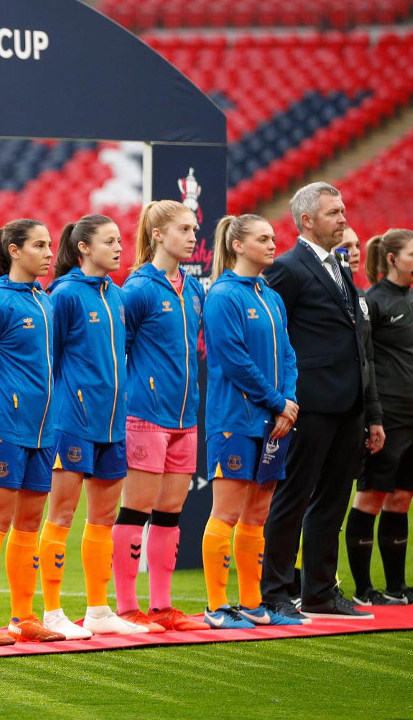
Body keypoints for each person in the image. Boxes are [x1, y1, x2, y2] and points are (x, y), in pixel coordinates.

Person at [261, 182, 371, 621]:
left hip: (347, 402)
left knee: (333, 501)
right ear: (307, 221)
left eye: (343, 210)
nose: (343, 219)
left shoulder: (339, 266)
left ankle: (321, 592)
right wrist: (282, 397)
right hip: (308, 403)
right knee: (293, 497)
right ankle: (276, 592)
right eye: (333, 213)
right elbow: (273, 335)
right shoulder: (287, 269)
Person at [42, 214, 147, 639]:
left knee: (103, 517)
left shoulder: (118, 296)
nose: (119, 248)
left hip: (112, 423)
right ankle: (52, 612)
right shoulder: (64, 294)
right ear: (83, 247)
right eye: (109, 241)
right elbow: (47, 358)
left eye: (120, 240)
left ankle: (99, 610)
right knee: (62, 515)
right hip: (72, 421)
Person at [0, 219, 65, 644]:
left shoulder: (46, 301)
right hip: (1, 428)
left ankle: (23, 617)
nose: (48, 253)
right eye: (39, 245)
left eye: (49, 245)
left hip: (42, 431)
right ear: (14, 251)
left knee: (28, 525)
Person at [200, 214, 301, 629]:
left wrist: (288, 401)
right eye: (263, 238)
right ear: (238, 245)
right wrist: (278, 402)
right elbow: (234, 360)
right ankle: (216, 607)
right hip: (235, 420)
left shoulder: (270, 296)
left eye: (273, 237)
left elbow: (288, 354)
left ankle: (252, 604)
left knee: (257, 515)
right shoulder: (223, 295)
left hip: (273, 421)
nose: (273, 244)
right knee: (225, 513)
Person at [114, 200, 211, 632]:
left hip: (185, 417)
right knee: (135, 509)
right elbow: (118, 350)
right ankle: (126, 608)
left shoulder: (193, 290)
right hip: (145, 416)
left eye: (194, 230)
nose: (193, 237)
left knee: (170, 513)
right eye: (184, 229)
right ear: (158, 235)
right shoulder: (138, 289)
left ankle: (162, 607)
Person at [346, 229, 413, 605]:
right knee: (370, 499)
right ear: (392, 259)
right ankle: (363, 591)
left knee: (401, 500)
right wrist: (373, 415)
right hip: (388, 416)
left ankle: (396, 588)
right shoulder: (374, 302)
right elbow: (365, 360)